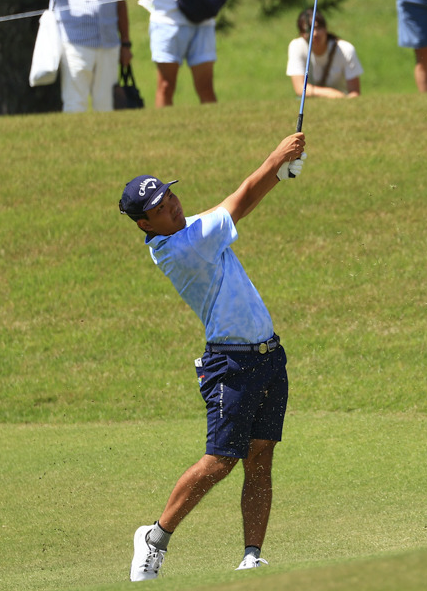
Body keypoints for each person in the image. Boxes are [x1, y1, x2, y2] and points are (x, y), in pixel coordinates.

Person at [121, 132, 307, 581]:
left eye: (171, 196)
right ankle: (155, 537)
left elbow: (229, 202)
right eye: (161, 209)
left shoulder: (188, 229)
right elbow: (240, 200)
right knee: (220, 460)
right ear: (146, 225)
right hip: (232, 364)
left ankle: (251, 557)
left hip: (268, 357)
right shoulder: (182, 248)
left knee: (260, 458)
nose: (173, 207)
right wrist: (275, 159)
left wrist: (281, 173)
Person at [286, 8, 362, 98]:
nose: (315, 34)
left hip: (341, 102)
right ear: (301, 34)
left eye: (318, 28)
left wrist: (342, 99)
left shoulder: (346, 49)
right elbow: (300, 88)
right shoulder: (296, 46)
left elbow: (355, 92)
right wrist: (331, 93)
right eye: (309, 29)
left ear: (326, 29)